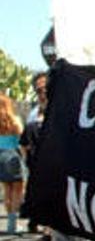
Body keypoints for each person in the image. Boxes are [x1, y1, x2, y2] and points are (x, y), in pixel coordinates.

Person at [21, 71, 49, 232]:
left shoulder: (67, 109)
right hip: (38, 166)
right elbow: (25, 141)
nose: (43, 93)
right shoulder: (33, 116)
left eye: (46, 88)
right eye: (39, 90)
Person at [0, 93, 25, 233]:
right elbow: (22, 139)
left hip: (0, 156)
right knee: (17, 190)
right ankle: (13, 222)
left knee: (7, 190)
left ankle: (10, 224)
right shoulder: (15, 120)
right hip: (13, 157)